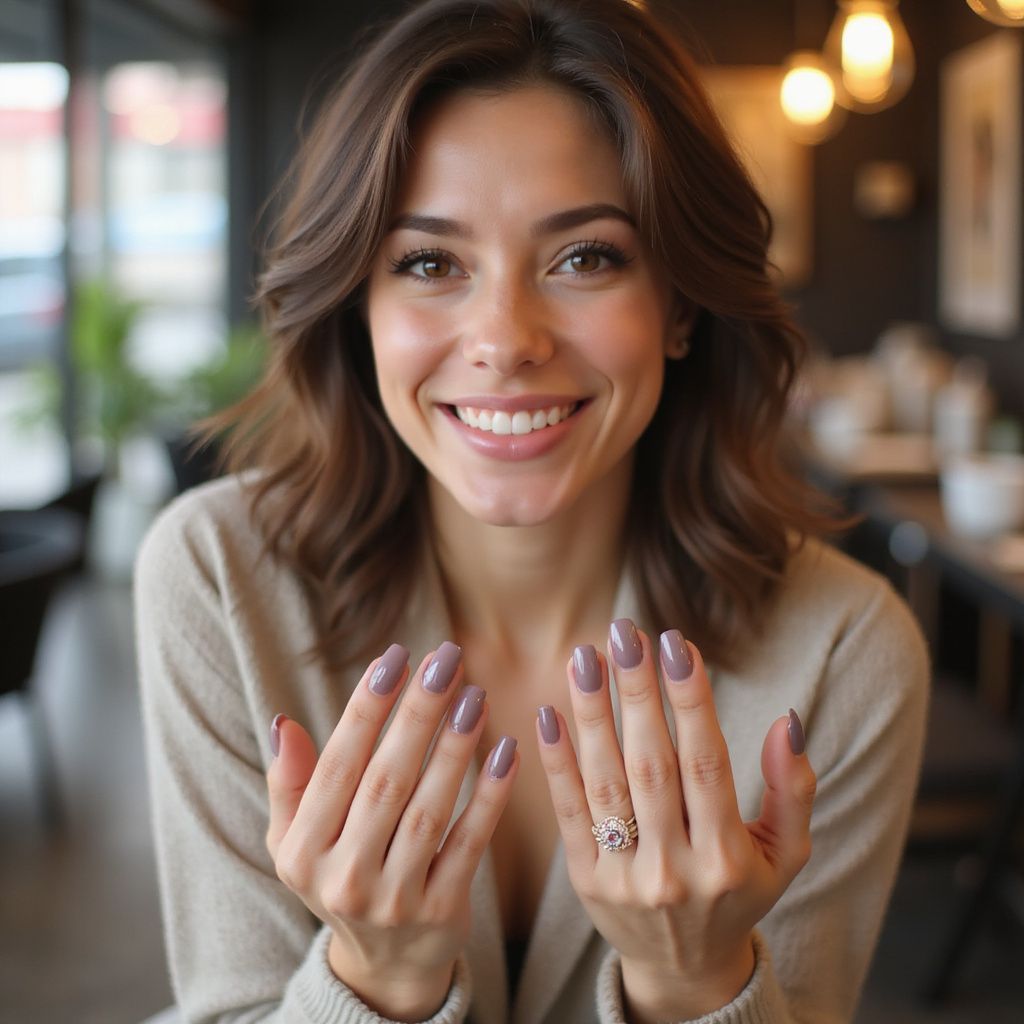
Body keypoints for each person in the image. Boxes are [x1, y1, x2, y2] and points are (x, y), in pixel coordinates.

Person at [134, 1, 929, 1022]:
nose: (504, 338)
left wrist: (694, 984)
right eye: (428, 263)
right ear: (357, 306)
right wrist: (375, 981)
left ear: (680, 305)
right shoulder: (219, 580)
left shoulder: (843, 652)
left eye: (585, 256)